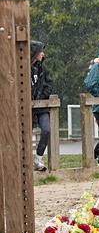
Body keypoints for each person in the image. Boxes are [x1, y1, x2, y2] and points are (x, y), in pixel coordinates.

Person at [30, 41, 53, 171]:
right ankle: (25, 161)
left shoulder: (42, 69)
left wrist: (43, 95)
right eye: (41, 51)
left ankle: (38, 159)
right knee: (25, 134)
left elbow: (49, 83)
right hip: (27, 108)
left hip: (41, 107)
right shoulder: (24, 68)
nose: (43, 54)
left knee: (46, 130)